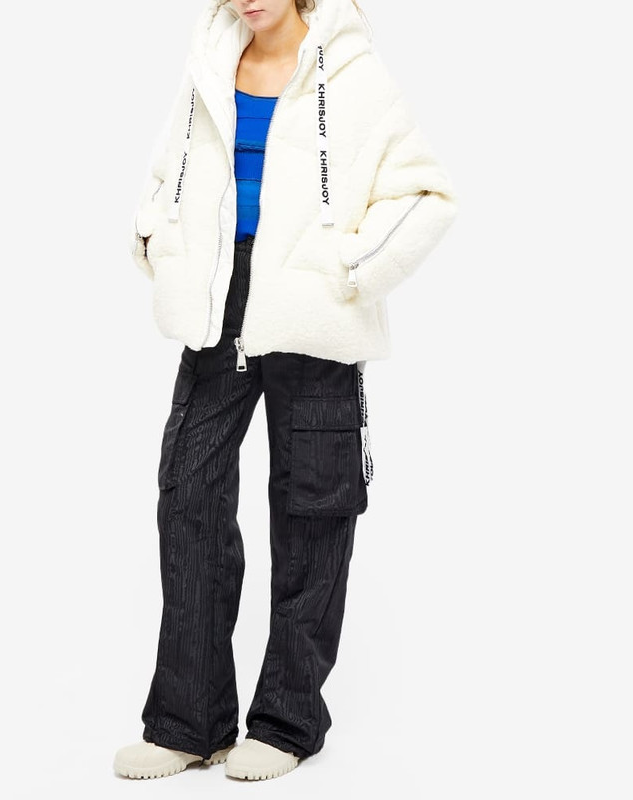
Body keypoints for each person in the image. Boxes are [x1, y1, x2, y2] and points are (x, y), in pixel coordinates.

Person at [115, 0, 457, 781]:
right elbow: (170, 174)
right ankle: (189, 721)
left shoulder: (354, 71)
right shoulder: (211, 63)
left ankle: (287, 721)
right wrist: (157, 240)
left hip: (312, 308)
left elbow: (426, 194)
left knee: (313, 506)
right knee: (189, 495)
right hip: (218, 300)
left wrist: (349, 270)